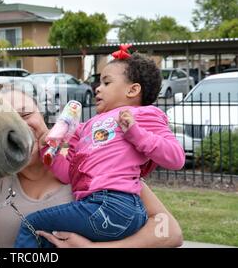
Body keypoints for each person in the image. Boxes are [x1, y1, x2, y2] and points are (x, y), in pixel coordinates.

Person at [0, 82, 184, 248]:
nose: (20, 128)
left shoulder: (90, 159)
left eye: (25, 115)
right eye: (5, 122)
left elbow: (169, 231)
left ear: (43, 116)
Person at [13, 48, 185, 248]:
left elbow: (176, 158)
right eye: (99, 82)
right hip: (95, 206)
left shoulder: (144, 114)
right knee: (48, 237)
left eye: (106, 82)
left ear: (132, 90)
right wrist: (48, 149)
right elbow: (68, 174)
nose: (97, 88)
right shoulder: (85, 127)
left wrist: (136, 133)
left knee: (31, 224)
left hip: (114, 204)